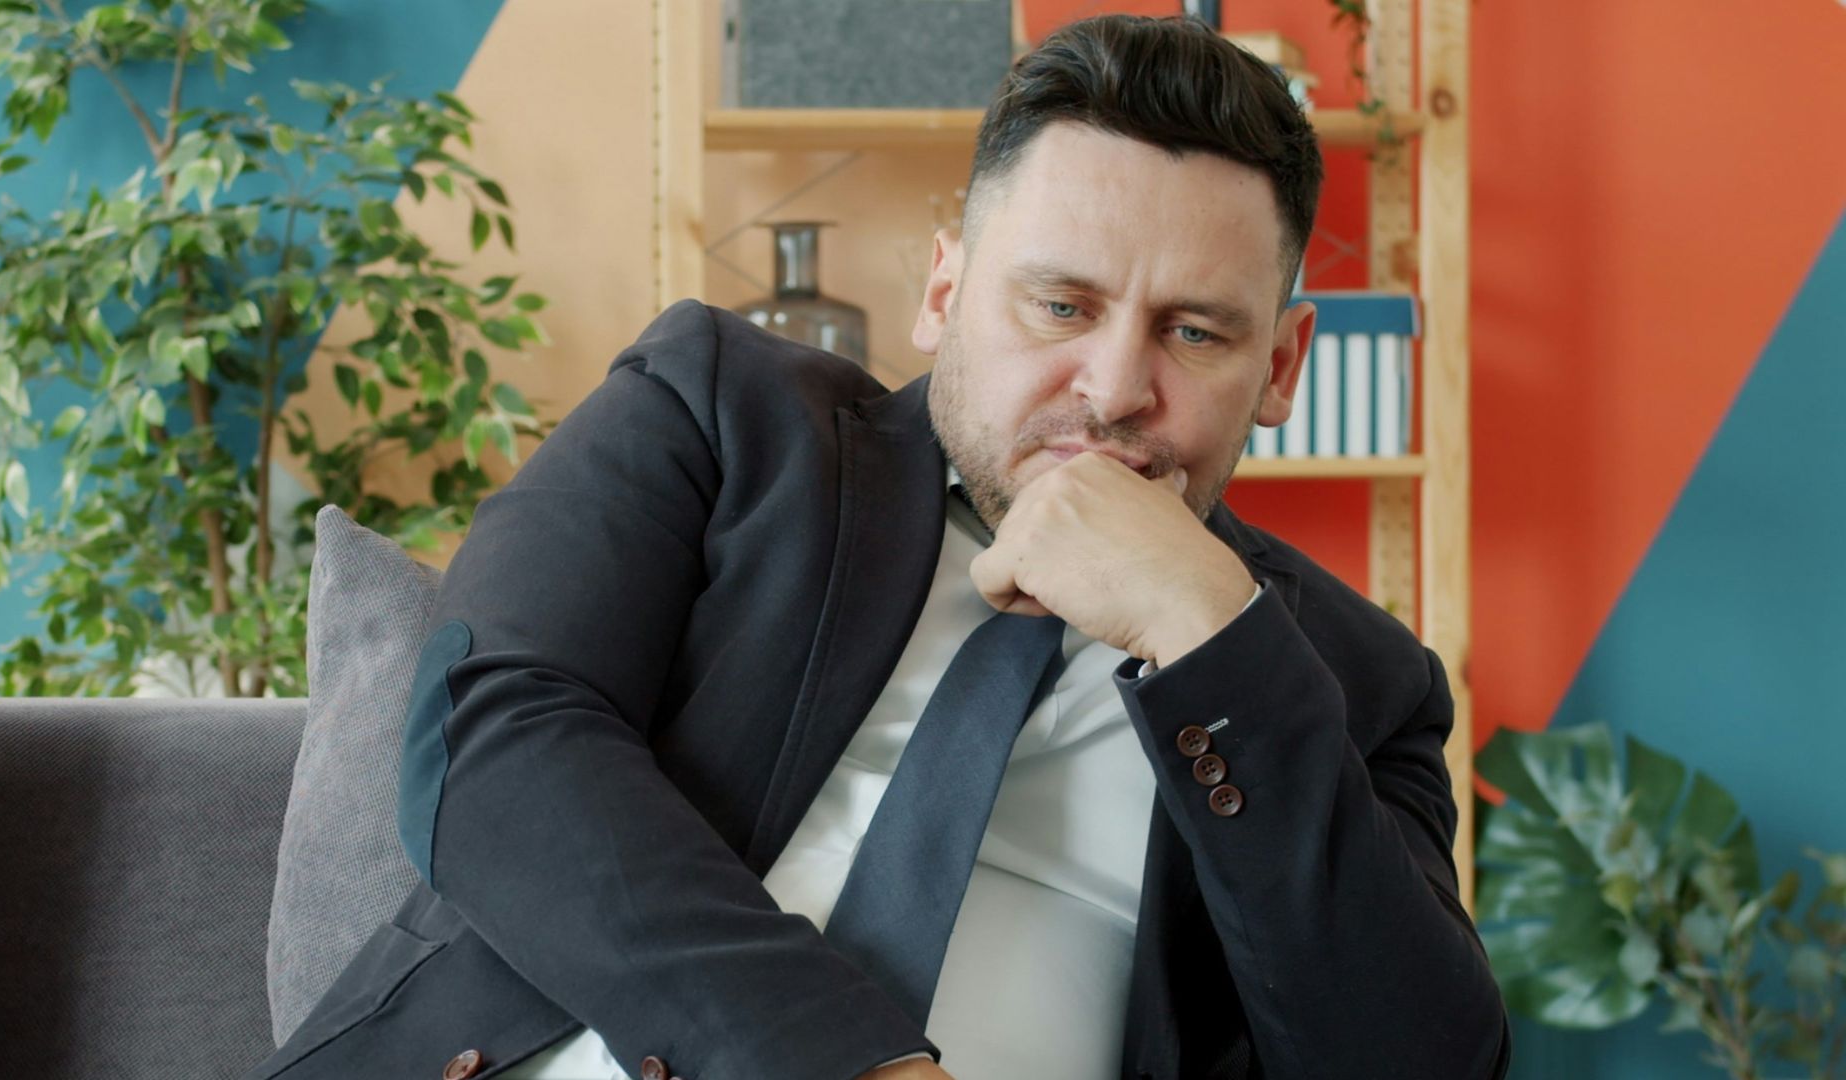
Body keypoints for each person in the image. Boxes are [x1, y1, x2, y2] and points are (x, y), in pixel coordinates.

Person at [250, 14, 1509, 1080]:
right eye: (1061, 304)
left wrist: (1211, 638)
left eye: (1196, 335)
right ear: (946, 292)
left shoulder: (1350, 681)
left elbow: (1420, 1059)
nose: (1117, 387)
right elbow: (492, 733)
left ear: (1280, 367)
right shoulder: (719, 412)